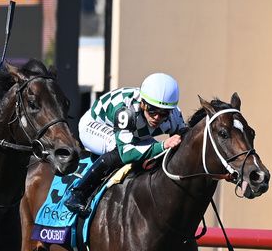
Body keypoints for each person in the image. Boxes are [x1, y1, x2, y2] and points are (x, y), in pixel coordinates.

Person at [63, 72, 187, 217]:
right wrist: (163, 145)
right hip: (95, 125)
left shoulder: (174, 115)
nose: (157, 117)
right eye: (152, 110)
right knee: (117, 149)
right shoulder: (126, 109)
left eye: (164, 113)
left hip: (131, 134)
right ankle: (78, 194)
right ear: (143, 102)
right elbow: (127, 153)